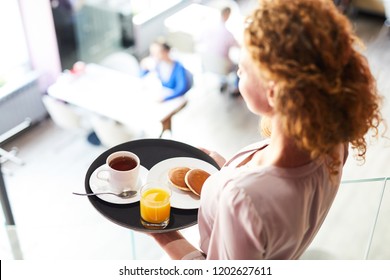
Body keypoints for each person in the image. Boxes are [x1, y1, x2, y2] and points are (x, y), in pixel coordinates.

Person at [149, 0, 383, 259]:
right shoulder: (334, 141)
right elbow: (273, 204)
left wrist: (161, 231)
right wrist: (226, 170)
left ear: (274, 93)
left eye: (244, 69)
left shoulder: (242, 201)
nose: (238, 70)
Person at [197, 6, 241, 96]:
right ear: (227, 15)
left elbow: (199, 41)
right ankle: (236, 88)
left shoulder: (208, 28)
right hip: (222, 65)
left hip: (208, 63)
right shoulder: (227, 33)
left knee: (220, 63)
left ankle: (223, 82)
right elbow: (239, 46)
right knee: (238, 67)